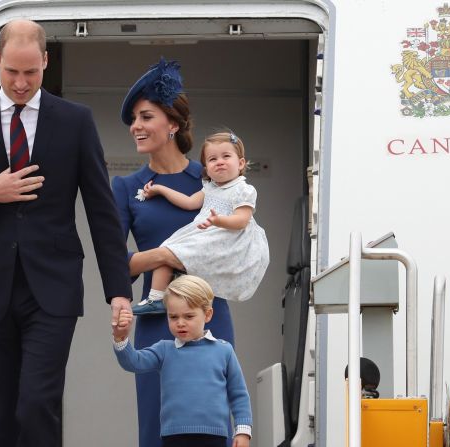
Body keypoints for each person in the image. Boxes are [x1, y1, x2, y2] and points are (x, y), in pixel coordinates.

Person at [0, 19, 132, 447]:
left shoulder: (75, 121)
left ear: (46, 62)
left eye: (31, 72)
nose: (20, 82)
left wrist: (118, 290)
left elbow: (102, 211)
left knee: (36, 404)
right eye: (12, 71)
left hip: (52, 288)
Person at [111, 57, 236, 447]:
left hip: (211, 311)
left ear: (173, 125)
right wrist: (164, 257)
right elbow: (116, 265)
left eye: (146, 116)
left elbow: (234, 245)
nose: (136, 126)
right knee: (156, 422)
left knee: (212, 417)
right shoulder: (126, 186)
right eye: (134, 119)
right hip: (155, 317)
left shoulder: (208, 179)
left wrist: (168, 255)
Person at [131, 131, 270, 314]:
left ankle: (174, 289)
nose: (219, 161)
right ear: (206, 168)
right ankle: (156, 298)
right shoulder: (210, 188)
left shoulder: (243, 190)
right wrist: (160, 189)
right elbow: (188, 202)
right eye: (212, 159)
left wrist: (219, 220)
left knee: (171, 254)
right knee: (169, 248)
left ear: (241, 163)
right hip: (204, 234)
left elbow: (241, 220)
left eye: (226, 156)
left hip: (225, 240)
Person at [112, 275, 252, 447]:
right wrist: (120, 338)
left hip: (215, 437)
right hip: (174, 437)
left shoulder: (224, 351)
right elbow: (134, 362)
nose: (180, 323)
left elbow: (239, 395)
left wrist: (243, 431)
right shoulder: (164, 350)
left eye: (188, 316)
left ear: (208, 314)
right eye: (173, 317)